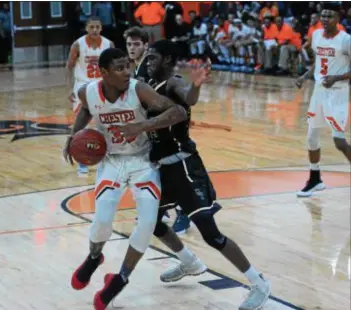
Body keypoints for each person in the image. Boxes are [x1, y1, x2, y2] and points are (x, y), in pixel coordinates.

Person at [116, 40, 271, 310]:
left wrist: (196, 85)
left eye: (153, 58)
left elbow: (188, 97)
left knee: (211, 234)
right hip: (159, 168)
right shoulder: (148, 87)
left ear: (167, 60)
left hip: (184, 167)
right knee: (150, 223)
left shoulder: (173, 82)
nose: (148, 63)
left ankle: (259, 283)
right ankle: (188, 261)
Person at [63, 47, 187, 310]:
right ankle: (95, 257)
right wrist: (73, 137)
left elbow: (178, 112)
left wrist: (141, 126)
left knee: (146, 224)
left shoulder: (138, 89)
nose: (126, 72)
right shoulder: (88, 91)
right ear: (104, 72)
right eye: (119, 68)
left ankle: (120, 279)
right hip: (111, 162)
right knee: (102, 221)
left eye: (128, 66)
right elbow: (85, 109)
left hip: (143, 162)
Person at [124, 26, 190, 233]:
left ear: (146, 45)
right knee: (152, 171)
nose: (132, 48)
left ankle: (183, 212)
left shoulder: (150, 66)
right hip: (153, 127)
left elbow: (173, 91)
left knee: (171, 173)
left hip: (168, 127)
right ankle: (159, 210)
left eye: (137, 44)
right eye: (129, 44)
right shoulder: (136, 68)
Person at [295, 3, 351, 197]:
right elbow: (319, 64)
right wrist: (304, 76)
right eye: (323, 16)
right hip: (319, 92)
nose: (325, 19)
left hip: (338, 93)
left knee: (339, 141)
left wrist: (336, 77)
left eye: (330, 16)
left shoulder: (346, 40)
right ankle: (315, 179)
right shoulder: (316, 35)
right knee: (311, 137)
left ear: (339, 19)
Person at [66, 16, 114, 176]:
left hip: (102, 86)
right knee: (82, 127)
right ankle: (82, 161)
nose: (94, 30)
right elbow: (69, 67)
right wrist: (69, 89)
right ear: (86, 28)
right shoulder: (78, 44)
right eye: (91, 27)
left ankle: (109, 157)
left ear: (101, 28)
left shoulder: (108, 44)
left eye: (97, 27)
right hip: (82, 87)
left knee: (107, 123)